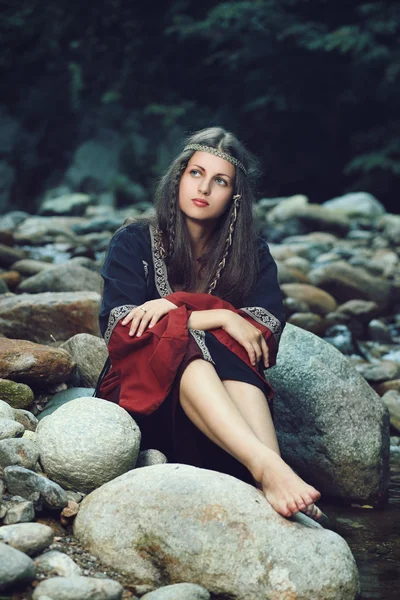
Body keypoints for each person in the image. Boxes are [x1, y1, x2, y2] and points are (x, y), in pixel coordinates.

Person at [97, 126, 322, 520]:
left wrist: (176, 310)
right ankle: (270, 468)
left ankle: (269, 469)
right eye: (196, 173)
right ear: (179, 177)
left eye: (220, 181)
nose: (204, 188)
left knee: (223, 341)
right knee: (185, 342)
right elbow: (121, 326)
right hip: (144, 402)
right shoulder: (133, 240)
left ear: (234, 197)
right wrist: (216, 315)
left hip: (222, 425)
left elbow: (261, 336)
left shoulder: (251, 254)